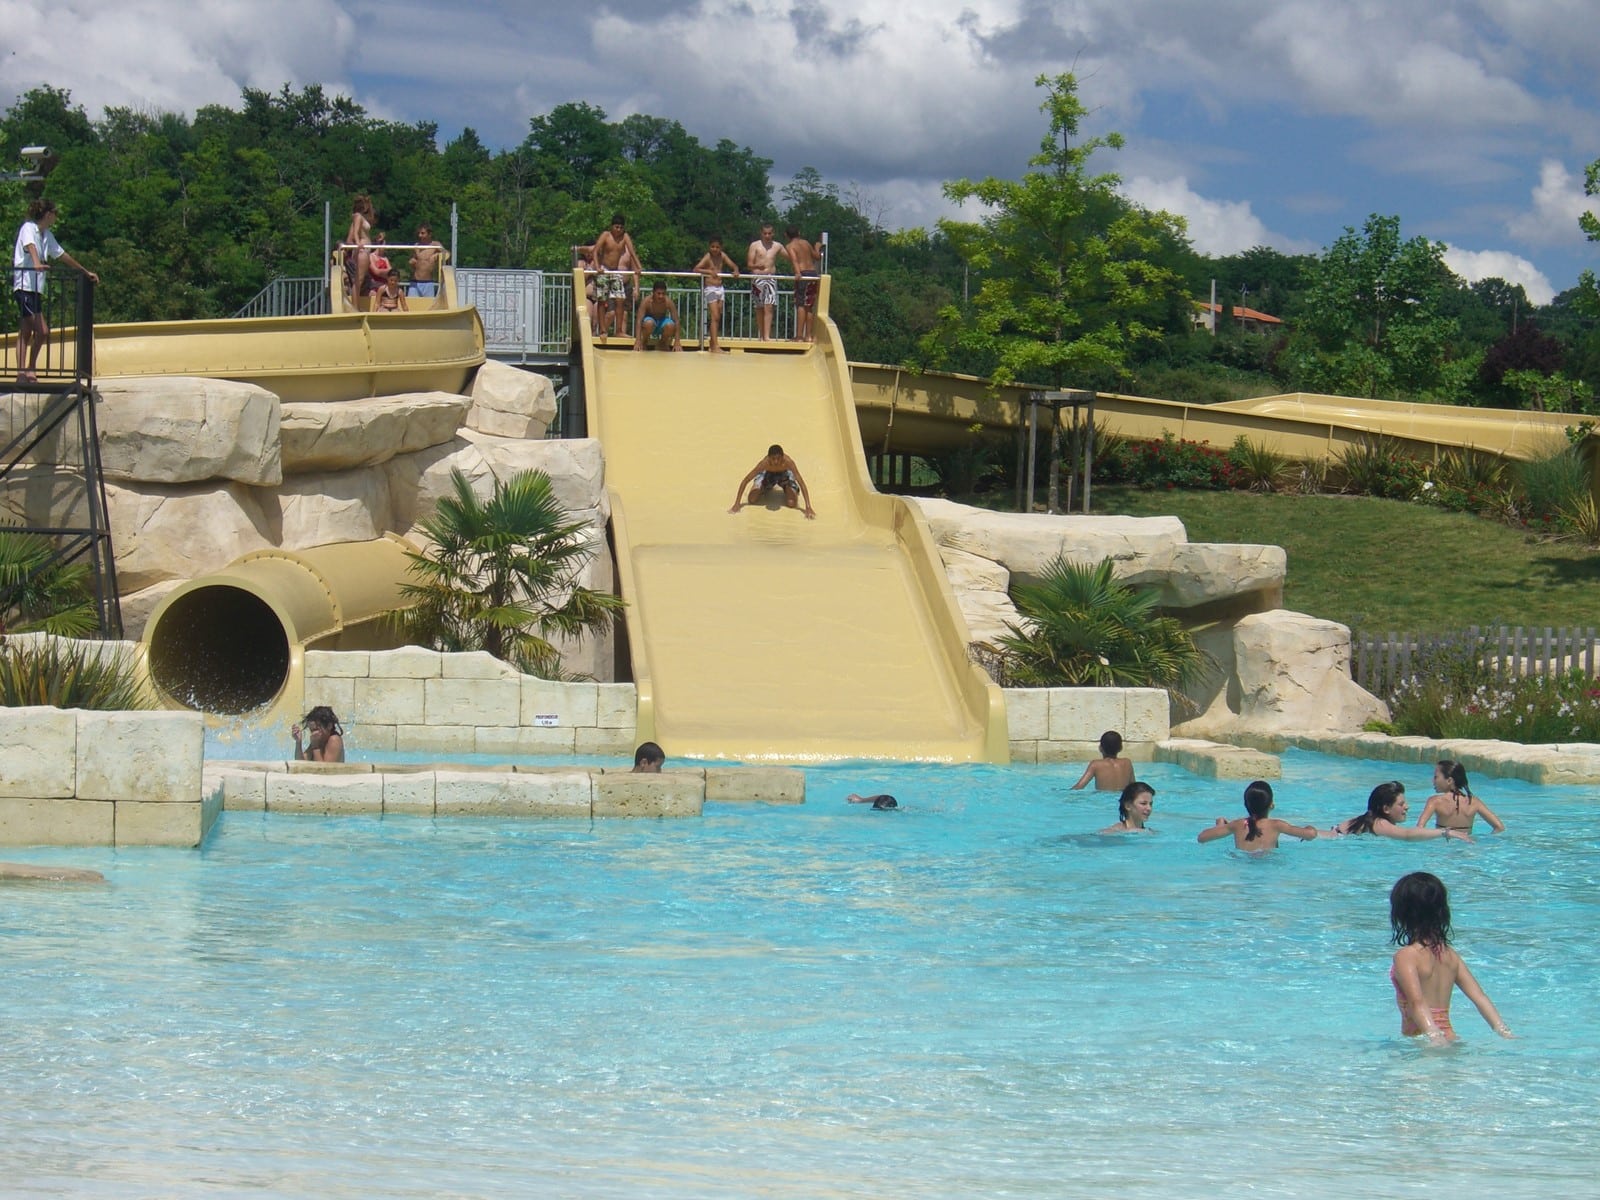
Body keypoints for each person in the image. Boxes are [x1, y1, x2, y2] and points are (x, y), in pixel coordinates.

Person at [1388, 871, 1512, 1044]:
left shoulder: (1406, 956)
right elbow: (1480, 997)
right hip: (1450, 1039)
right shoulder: (1450, 956)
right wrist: (1505, 1032)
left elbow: (1417, 1002)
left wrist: (1435, 1037)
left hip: (1424, 1042)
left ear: (1402, 912)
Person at [12, 199, 98, 383]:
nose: (55, 218)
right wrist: (36, 263)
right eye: (54, 214)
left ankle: (24, 372)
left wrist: (84, 271)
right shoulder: (29, 227)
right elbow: (30, 245)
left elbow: (61, 254)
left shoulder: (47, 235)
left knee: (26, 330)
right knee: (42, 331)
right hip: (24, 286)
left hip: (36, 289)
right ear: (48, 214)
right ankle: (27, 370)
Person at [1331, 781, 1471, 841]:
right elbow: (1407, 835)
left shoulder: (1368, 819)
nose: (1407, 807)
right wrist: (1446, 832)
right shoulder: (1379, 823)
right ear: (1386, 809)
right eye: (1401, 804)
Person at [1198, 780, 1319, 850]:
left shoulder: (1237, 825)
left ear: (1245, 804)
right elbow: (1311, 835)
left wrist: (1220, 826)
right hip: (1269, 867)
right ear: (1271, 805)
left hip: (1242, 865)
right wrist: (1309, 827)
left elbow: (1202, 838)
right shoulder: (1277, 825)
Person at [578, 214, 640, 339]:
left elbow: (632, 252)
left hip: (615, 271)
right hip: (604, 269)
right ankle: (602, 330)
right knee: (602, 300)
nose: (619, 230)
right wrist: (597, 267)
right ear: (612, 227)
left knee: (620, 299)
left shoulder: (625, 237)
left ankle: (619, 330)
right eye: (616, 227)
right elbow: (595, 251)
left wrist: (639, 266)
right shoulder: (606, 235)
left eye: (621, 227)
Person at [1415, 760, 1505, 834]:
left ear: (1449, 780)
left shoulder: (1435, 801)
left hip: (1443, 847)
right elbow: (1499, 827)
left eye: (1436, 777)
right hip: (1467, 847)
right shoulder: (1474, 802)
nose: (1433, 781)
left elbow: (1419, 828)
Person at [730, 444, 815, 518]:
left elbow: (801, 483)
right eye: (773, 459)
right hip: (768, 474)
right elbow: (746, 480)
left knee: (791, 503)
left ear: (782, 457)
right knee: (752, 499)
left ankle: (788, 488)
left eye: (778, 458)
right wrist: (737, 504)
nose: (776, 461)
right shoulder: (764, 464)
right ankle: (762, 488)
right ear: (769, 458)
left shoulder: (788, 462)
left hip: (784, 475)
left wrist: (808, 507)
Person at [692, 236, 741, 353]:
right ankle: (715, 346)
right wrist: (709, 271)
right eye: (712, 246)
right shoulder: (707, 257)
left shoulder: (722, 256)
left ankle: (712, 343)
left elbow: (733, 265)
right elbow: (696, 269)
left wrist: (736, 270)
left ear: (721, 247)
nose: (715, 249)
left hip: (720, 288)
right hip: (710, 289)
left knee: (718, 317)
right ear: (709, 247)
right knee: (715, 316)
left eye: (717, 247)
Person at [745, 222, 792, 341]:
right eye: (765, 233)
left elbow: (790, 257)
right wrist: (757, 266)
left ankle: (767, 336)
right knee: (759, 307)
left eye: (769, 233)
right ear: (761, 233)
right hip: (757, 278)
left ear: (773, 233)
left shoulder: (777, 246)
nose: (767, 236)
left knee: (769, 306)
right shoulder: (755, 245)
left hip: (770, 278)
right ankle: (761, 334)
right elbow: (749, 264)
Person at [785, 226, 821, 342]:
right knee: (809, 306)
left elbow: (794, 260)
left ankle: (799, 336)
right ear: (799, 233)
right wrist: (817, 247)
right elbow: (817, 257)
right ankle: (808, 336)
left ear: (786, 235)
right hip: (813, 274)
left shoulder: (790, 246)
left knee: (801, 305)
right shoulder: (806, 243)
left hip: (803, 273)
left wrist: (797, 273)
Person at [1070, 730, 1135, 791]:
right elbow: (1134, 787)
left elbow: (1079, 786)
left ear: (1100, 748)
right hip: (1123, 797)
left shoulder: (1095, 764)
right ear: (1121, 748)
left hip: (1103, 797)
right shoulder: (1127, 763)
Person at [343, 195, 374, 307]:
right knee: (358, 280)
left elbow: (371, 217)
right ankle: (355, 306)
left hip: (365, 249)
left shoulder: (360, 217)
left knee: (359, 280)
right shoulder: (357, 216)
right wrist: (358, 243)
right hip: (363, 250)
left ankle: (356, 305)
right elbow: (356, 232)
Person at [633, 280, 681, 351]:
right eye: (658, 293)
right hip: (650, 324)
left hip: (661, 324)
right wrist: (638, 340)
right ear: (653, 292)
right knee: (649, 323)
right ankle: (644, 341)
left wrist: (677, 341)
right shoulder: (647, 301)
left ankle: (662, 343)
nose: (661, 296)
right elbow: (639, 320)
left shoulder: (668, 302)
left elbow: (676, 321)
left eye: (663, 293)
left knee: (670, 325)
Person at [408, 224, 443, 299]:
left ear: (429, 234)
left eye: (423, 233)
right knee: (412, 303)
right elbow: (412, 259)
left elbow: (447, 254)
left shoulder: (435, 244)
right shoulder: (417, 245)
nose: (420, 235)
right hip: (415, 282)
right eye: (419, 233)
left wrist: (437, 254)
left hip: (428, 283)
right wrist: (412, 261)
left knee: (429, 304)